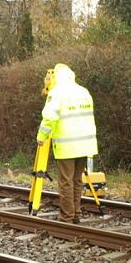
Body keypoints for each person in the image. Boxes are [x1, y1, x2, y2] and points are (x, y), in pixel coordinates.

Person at [36, 63, 98, 224]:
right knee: (77, 180)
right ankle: (76, 213)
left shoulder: (57, 93)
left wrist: (41, 136)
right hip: (85, 144)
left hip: (67, 145)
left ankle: (66, 217)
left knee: (65, 181)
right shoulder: (83, 91)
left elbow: (50, 118)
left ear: (56, 77)